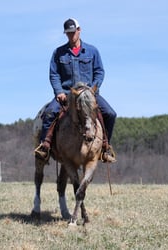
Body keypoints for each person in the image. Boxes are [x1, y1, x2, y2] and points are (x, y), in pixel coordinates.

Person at [34, 18, 117, 163]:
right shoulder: (58, 53)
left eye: (73, 32)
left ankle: (105, 147)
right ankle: (45, 147)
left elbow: (99, 72)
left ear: (79, 30)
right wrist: (59, 91)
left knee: (110, 114)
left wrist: (93, 89)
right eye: (68, 33)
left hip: (89, 95)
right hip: (66, 94)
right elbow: (54, 74)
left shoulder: (92, 51)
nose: (71, 35)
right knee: (49, 113)